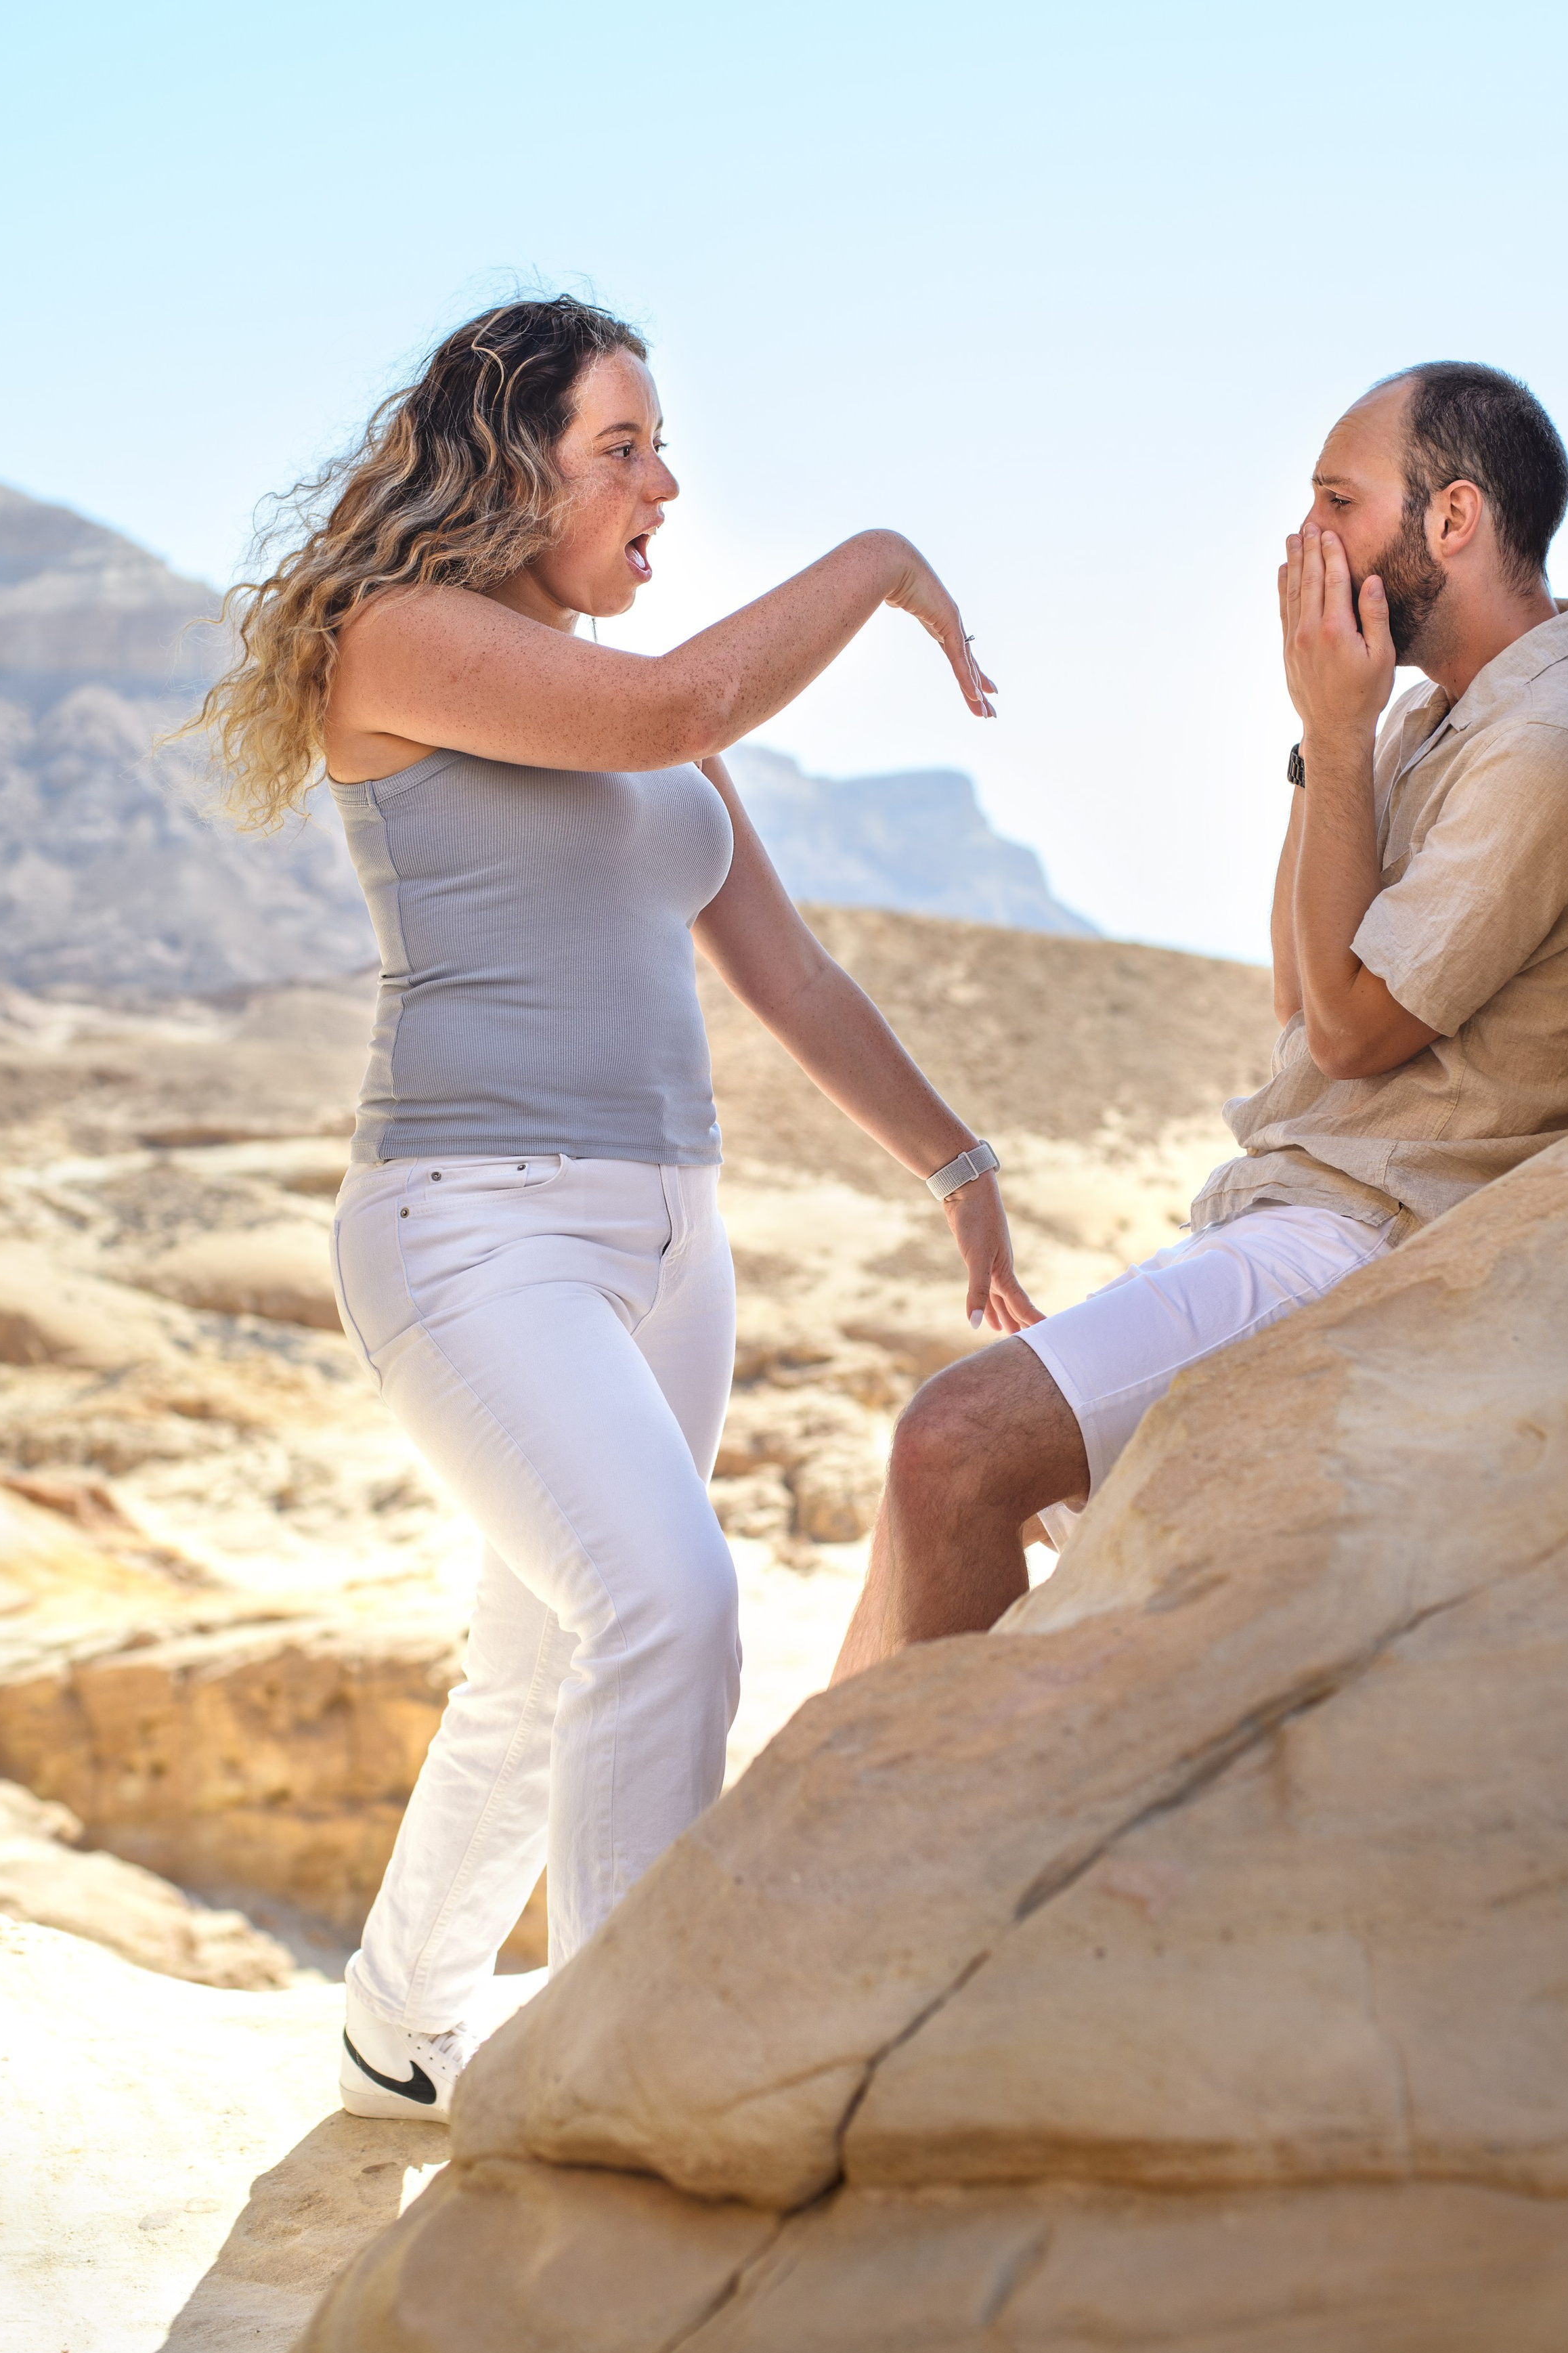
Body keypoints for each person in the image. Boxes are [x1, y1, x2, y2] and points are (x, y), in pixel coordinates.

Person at [190, 293, 1037, 2118]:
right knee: (667, 1603)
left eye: (661, 446)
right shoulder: (401, 641)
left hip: (669, 1244)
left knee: (541, 1651)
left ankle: (396, 2034)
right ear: (514, 474)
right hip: (471, 1230)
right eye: (623, 451)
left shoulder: (619, 708)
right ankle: (631, 2094)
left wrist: (956, 1166)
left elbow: (790, 975)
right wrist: (883, 560)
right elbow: (676, 695)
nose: (665, 482)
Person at [833, 359, 1568, 1681]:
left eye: (1334, 504)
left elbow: (1351, 1038)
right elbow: (1300, 999)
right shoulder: (1422, 722)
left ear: (1452, 519)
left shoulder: (1544, 746)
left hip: (1366, 1244)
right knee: (933, 1512)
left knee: (951, 1445)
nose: (1302, 545)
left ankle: (868, 1871)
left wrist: (1336, 731)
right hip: (1284, 1211)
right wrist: (1329, 740)